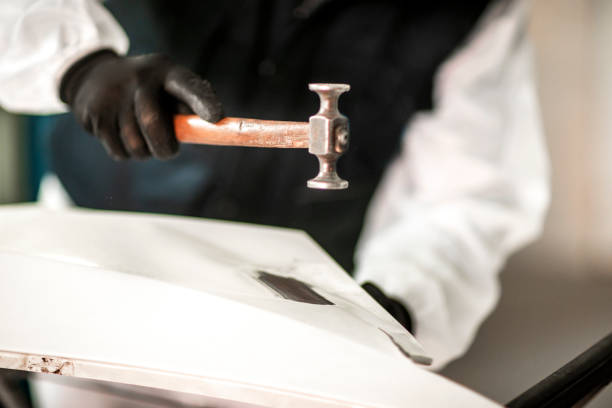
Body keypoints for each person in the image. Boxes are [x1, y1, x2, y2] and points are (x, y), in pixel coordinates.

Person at [0, 0, 549, 370]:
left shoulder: (472, 11)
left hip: (307, 333)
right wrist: (76, 65)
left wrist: (396, 309)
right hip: (101, 288)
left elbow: (464, 198)